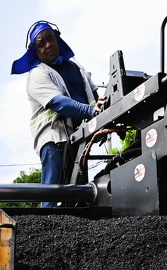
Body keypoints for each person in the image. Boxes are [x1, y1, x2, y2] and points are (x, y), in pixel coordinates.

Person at [11, 20, 105, 207]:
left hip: (79, 139)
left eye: (50, 39)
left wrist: (103, 118)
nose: (47, 45)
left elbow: (93, 97)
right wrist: (90, 111)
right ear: (35, 51)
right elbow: (57, 102)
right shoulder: (38, 74)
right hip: (53, 140)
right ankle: (46, 227)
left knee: (79, 192)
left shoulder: (76, 68)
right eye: (41, 44)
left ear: (57, 39)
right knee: (51, 192)